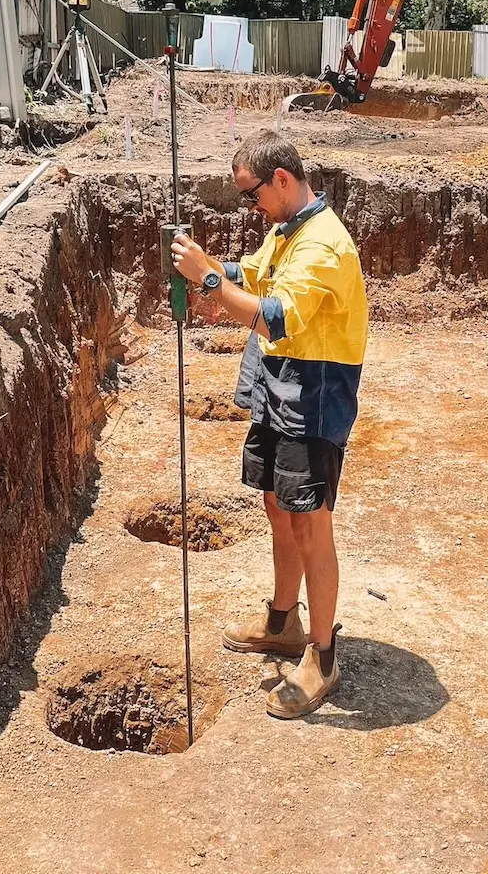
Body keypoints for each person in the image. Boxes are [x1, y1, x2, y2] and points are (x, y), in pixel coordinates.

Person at [171, 129, 369, 719]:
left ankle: (323, 656)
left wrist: (210, 281)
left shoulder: (324, 247)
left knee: (312, 524)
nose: (249, 205)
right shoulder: (288, 230)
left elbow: (276, 318)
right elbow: (253, 276)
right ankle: (283, 621)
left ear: (281, 180)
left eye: (251, 193)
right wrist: (207, 268)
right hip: (279, 385)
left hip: (313, 397)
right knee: (278, 507)